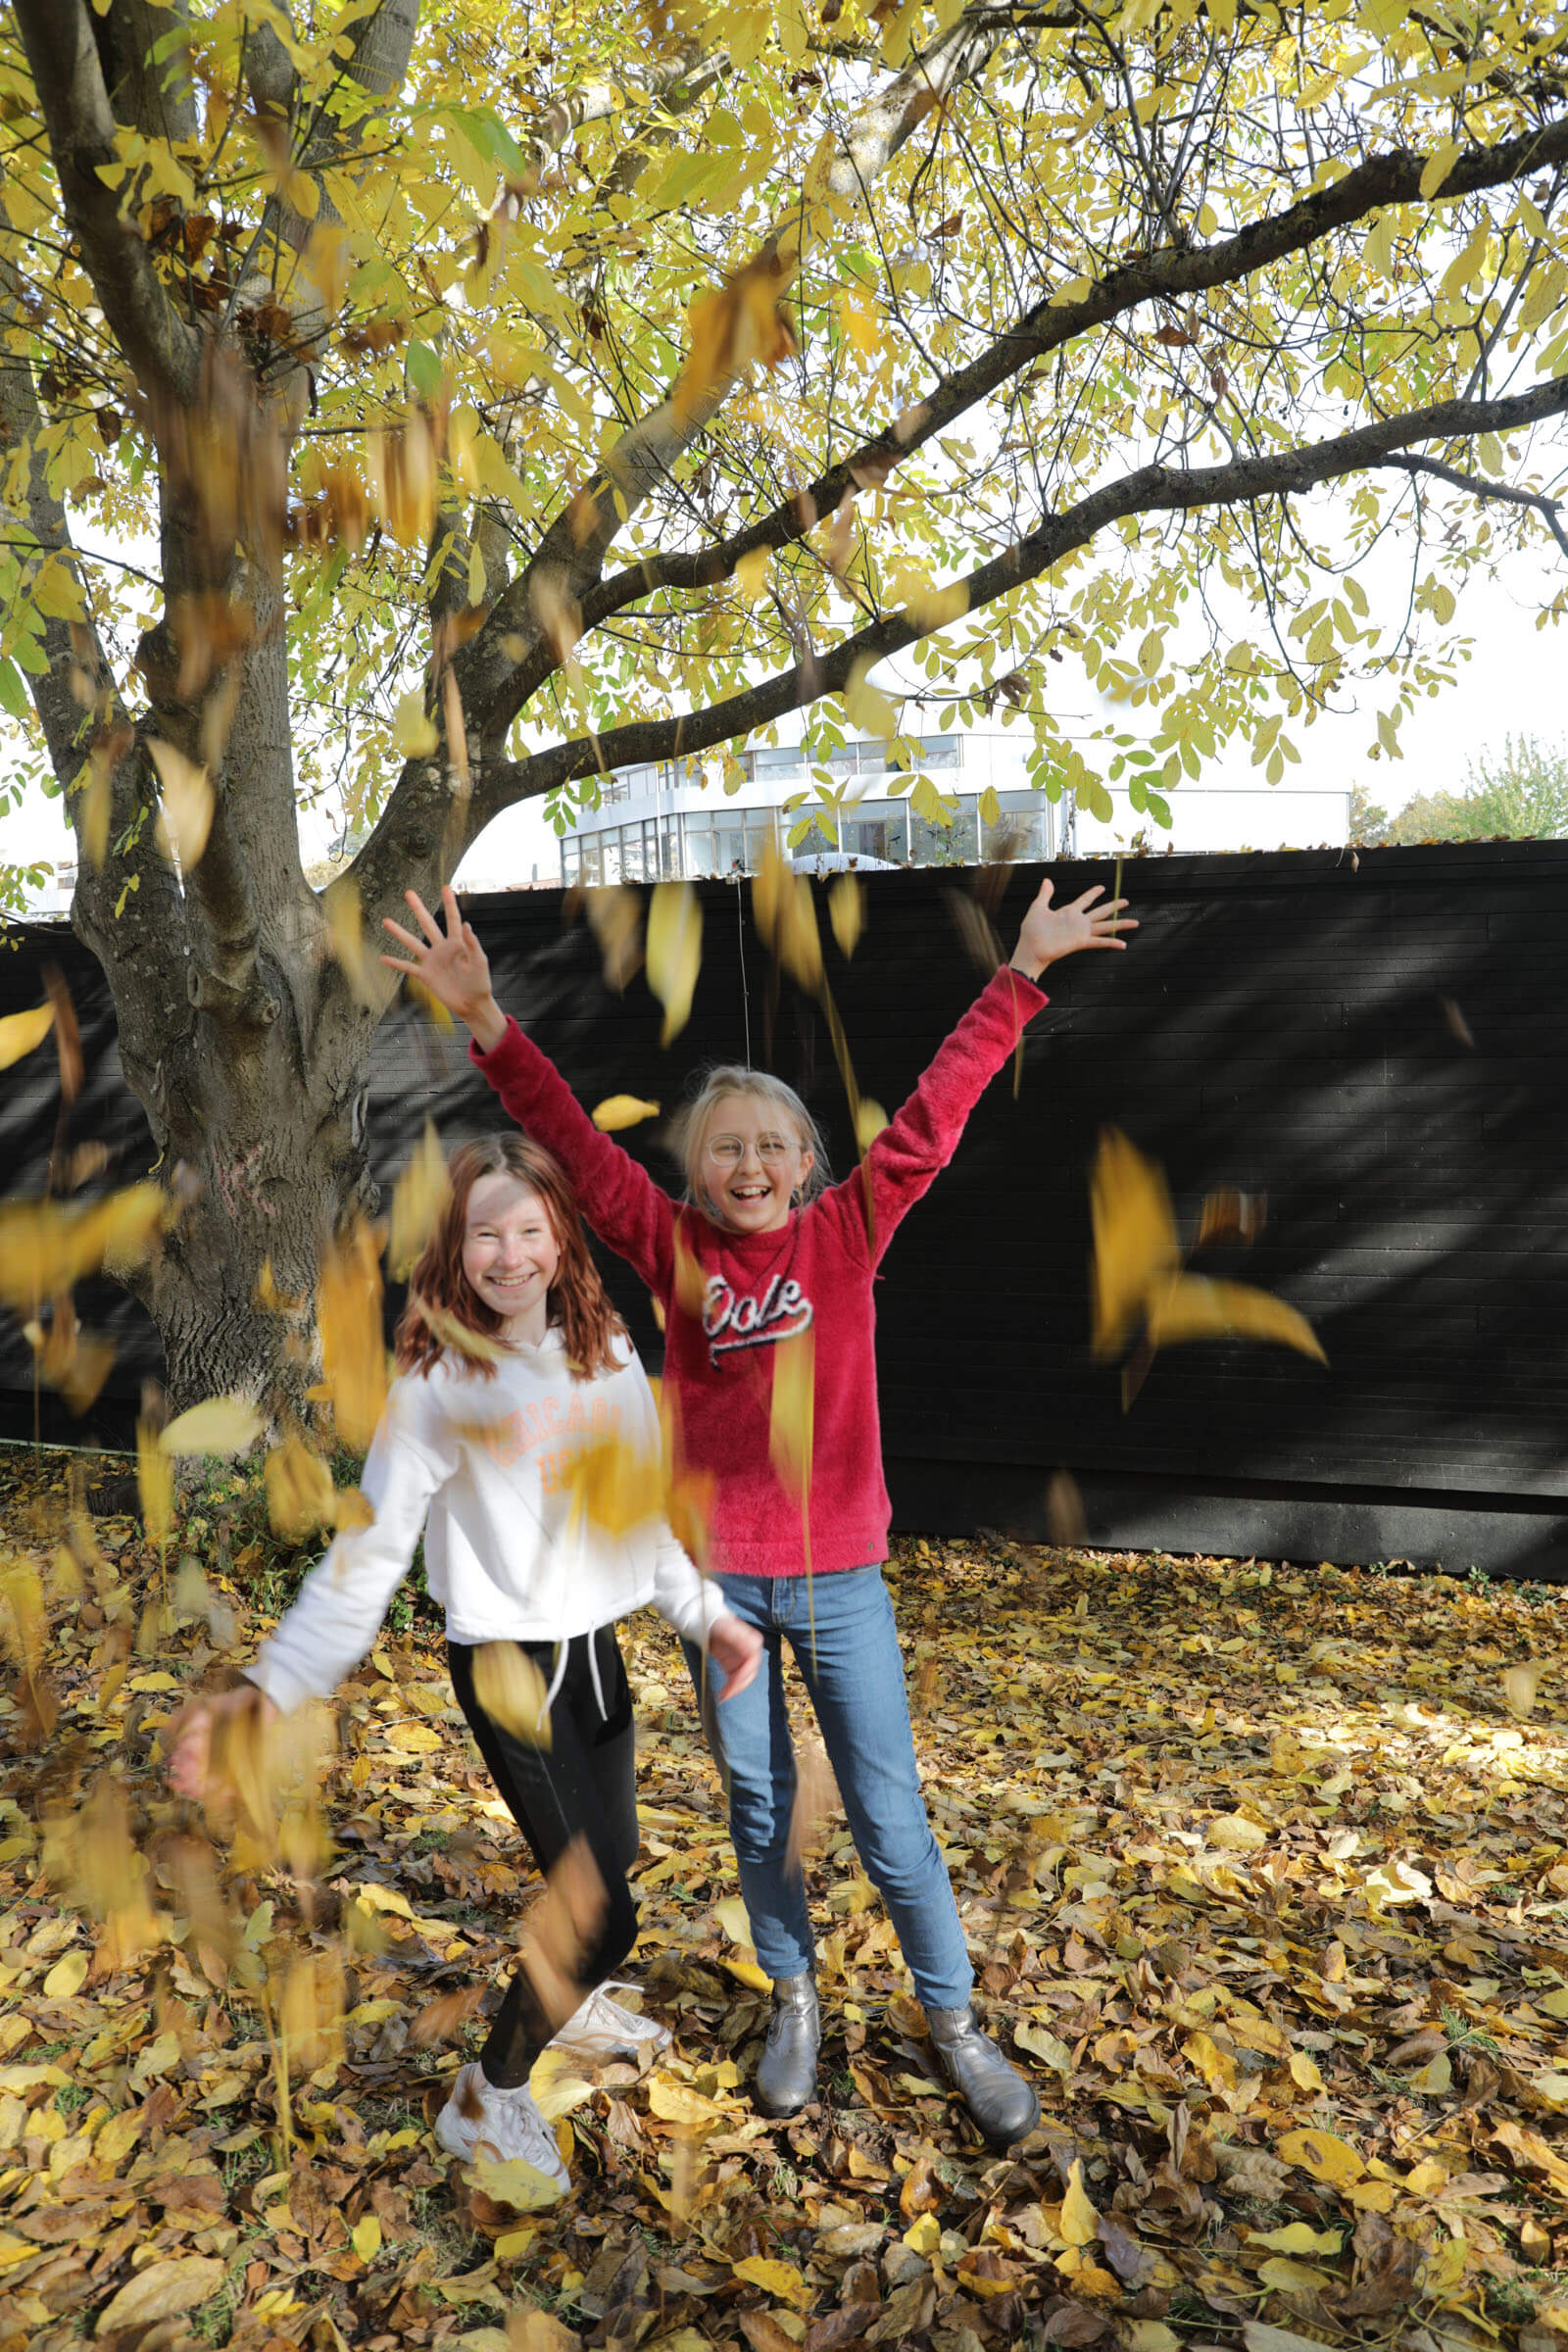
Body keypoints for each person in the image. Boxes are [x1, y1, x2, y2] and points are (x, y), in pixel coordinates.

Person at [382, 873, 1134, 2150]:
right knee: (760, 1808)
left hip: (840, 1581)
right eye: (725, 1146)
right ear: (696, 1165)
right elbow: (567, 1140)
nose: (748, 1164)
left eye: (771, 1146)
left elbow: (933, 1116)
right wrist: (487, 1023)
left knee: (888, 1814)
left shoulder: (847, 1230)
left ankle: (953, 2019)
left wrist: (1018, 979)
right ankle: (794, 1997)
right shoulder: (670, 1245)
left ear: (804, 1163)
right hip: (719, 1585)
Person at [167, 1133, 761, 2197]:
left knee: (613, 1860)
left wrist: (706, 1616)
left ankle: (574, 2007)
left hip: (595, 1655)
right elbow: (365, 1562)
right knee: (596, 1914)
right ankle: (488, 2094)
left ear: (560, 1238)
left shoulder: (604, 1353)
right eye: (486, 1233)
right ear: (454, 1246)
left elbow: (644, 1516)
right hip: (505, 1668)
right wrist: (265, 1689)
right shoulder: (438, 1387)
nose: (510, 1255)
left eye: (530, 1229)